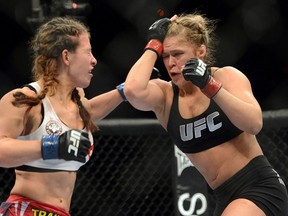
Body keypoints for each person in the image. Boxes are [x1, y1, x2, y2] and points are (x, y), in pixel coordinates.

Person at [123, 13, 288, 215]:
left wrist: (211, 87)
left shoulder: (226, 76)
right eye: (165, 56)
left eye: (178, 54)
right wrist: (153, 44)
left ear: (200, 51)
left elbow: (254, 124)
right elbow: (132, 91)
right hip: (222, 198)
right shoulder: (165, 97)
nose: (171, 63)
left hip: (259, 188)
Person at [0, 16, 125, 216]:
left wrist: (125, 92)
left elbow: (89, 111)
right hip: (26, 210)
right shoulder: (26, 99)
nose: (94, 60)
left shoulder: (77, 103)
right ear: (66, 57)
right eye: (88, 52)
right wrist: (53, 146)